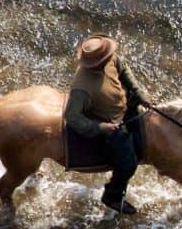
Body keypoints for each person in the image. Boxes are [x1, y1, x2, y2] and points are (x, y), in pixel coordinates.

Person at [64, 34, 150, 215]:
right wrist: (100, 128)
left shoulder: (108, 59)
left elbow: (123, 68)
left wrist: (138, 91)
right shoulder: (81, 88)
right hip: (107, 121)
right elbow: (72, 117)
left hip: (121, 106)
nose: (110, 59)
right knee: (127, 164)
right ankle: (113, 195)